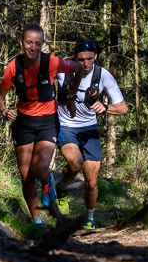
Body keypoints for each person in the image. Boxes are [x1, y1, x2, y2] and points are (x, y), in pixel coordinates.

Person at [0, 23, 84, 229]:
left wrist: (71, 98)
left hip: (47, 121)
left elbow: (78, 68)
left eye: (37, 43)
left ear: (42, 44)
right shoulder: (13, 67)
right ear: (21, 43)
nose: (33, 48)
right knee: (26, 175)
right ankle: (37, 222)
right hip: (23, 122)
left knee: (40, 167)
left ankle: (47, 183)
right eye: (28, 42)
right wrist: (5, 111)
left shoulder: (51, 62)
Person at [53, 37, 128, 230]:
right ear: (74, 57)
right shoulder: (63, 70)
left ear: (95, 57)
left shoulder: (103, 75)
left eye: (90, 59)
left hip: (89, 128)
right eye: (81, 59)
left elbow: (123, 108)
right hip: (65, 125)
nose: (85, 64)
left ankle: (89, 218)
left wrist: (105, 107)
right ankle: (61, 188)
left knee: (92, 182)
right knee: (75, 164)